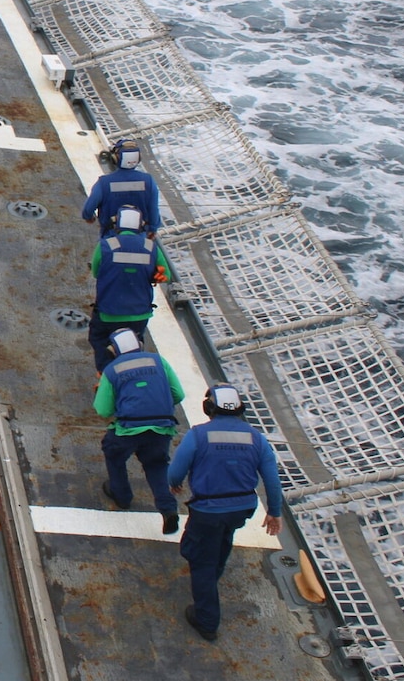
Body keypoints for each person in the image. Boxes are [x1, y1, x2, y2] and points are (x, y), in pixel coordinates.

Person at [168, 385, 284, 642]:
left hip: (207, 510)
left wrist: (175, 482)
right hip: (240, 510)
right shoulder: (256, 438)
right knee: (222, 540)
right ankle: (214, 571)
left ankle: (206, 620)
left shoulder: (198, 435)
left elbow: (177, 469)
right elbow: (272, 480)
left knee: (200, 559)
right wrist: (274, 512)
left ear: (208, 408)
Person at [93, 328, 185, 533]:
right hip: (162, 428)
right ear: (140, 345)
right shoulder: (159, 361)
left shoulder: (112, 370)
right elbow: (178, 394)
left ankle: (122, 496)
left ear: (112, 351)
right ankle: (168, 508)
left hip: (128, 429)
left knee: (114, 455)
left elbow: (103, 410)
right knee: (156, 464)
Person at [88, 204, 172, 373]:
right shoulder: (151, 247)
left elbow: (96, 272)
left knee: (100, 342)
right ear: (141, 226)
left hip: (108, 312)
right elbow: (166, 275)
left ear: (116, 224)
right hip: (139, 313)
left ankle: (105, 378)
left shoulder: (105, 246)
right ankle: (129, 374)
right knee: (132, 346)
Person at [82, 137, 161, 236]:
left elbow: (88, 208)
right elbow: (153, 210)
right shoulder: (149, 181)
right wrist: (153, 229)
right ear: (138, 158)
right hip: (140, 236)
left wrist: (89, 217)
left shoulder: (104, 182)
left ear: (115, 158)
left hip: (111, 235)